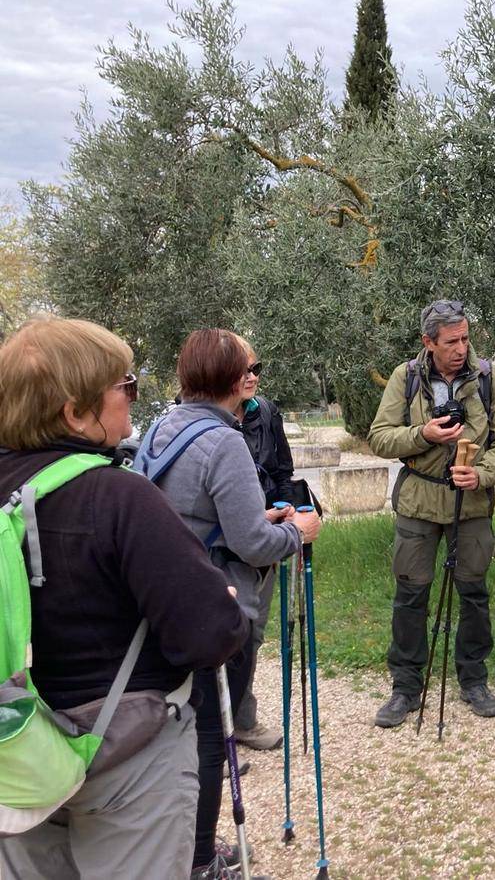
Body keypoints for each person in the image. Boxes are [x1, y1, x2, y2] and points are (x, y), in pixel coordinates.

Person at [0, 317, 248, 880]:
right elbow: (209, 635)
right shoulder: (118, 497)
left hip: (15, 748)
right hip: (126, 757)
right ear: (74, 413)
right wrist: (221, 602)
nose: (133, 397)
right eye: (124, 385)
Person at [138, 328, 322, 879]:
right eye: (249, 366)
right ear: (231, 378)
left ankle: (176, 845)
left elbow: (193, 513)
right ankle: (201, 860)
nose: (255, 374)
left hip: (165, 599)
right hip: (217, 606)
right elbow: (253, 543)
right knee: (212, 737)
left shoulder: (162, 427)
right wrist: (299, 534)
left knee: (180, 733)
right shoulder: (225, 441)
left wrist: (250, 521)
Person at [368, 299, 495, 726]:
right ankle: (405, 687)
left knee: (473, 594)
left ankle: (474, 680)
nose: (461, 348)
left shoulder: (490, 379)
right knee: (410, 595)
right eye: (452, 341)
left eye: (465, 338)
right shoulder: (407, 377)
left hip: (470, 504)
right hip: (418, 501)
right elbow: (379, 438)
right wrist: (423, 434)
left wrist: (483, 474)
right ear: (428, 342)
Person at [231, 336, 296, 752]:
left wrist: (290, 510)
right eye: (244, 370)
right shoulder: (202, 421)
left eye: (257, 368)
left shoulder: (266, 412)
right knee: (220, 636)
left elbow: (282, 469)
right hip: (223, 546)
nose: (252, 377)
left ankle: (242, 720)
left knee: (252, 633)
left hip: (265, 536)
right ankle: (208, 734)